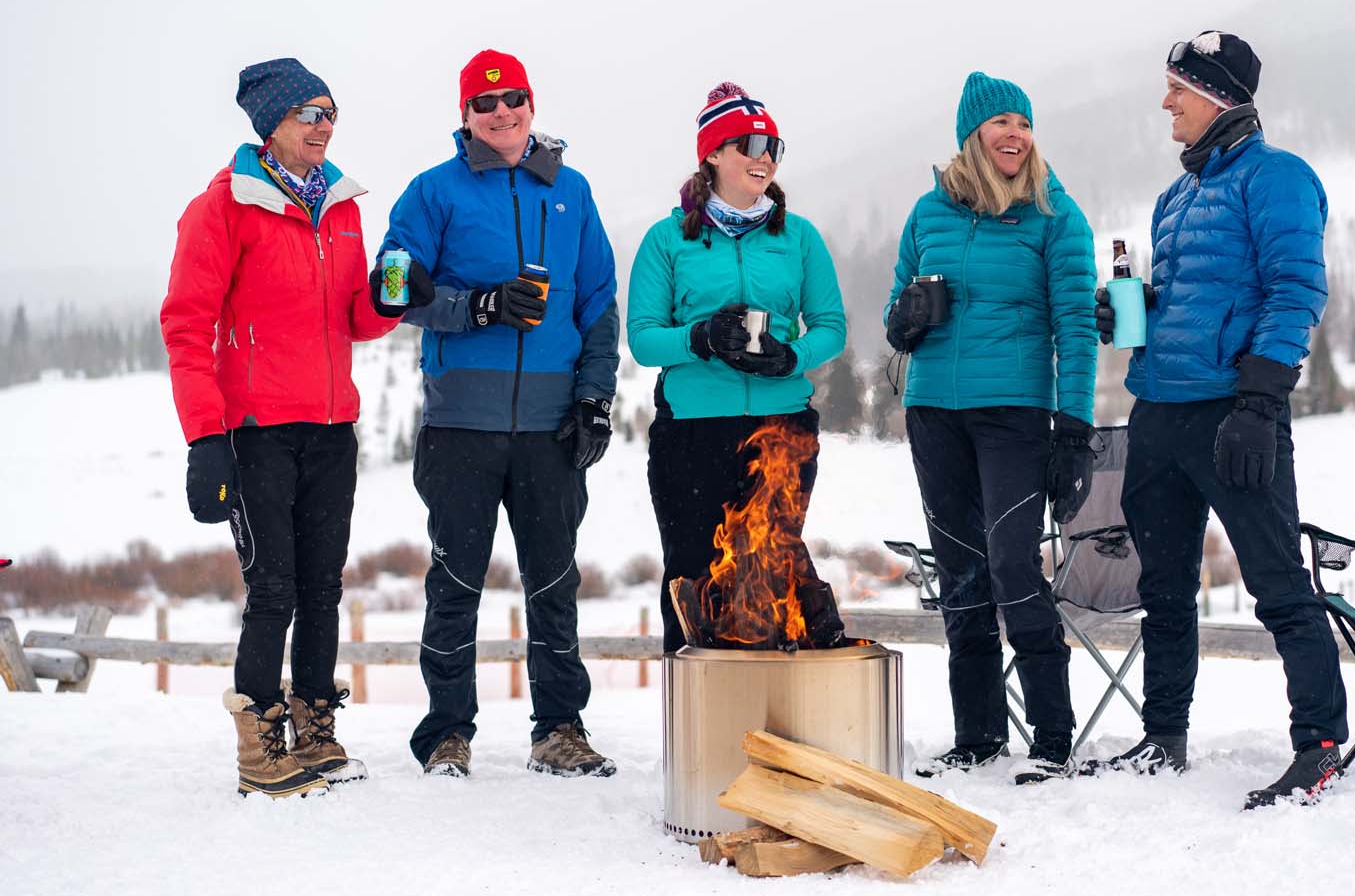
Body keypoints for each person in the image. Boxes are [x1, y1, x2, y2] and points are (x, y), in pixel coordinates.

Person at [1088, 30, 1349, 809]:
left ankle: (1321, 746)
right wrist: (1126, 312)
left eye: (1178, 88)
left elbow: (1295, 290)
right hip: (1159, 409)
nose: (1165, 102)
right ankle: (1163, 736)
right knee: (1164, 587)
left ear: (1219, 96)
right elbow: (1187, 298)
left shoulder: (1276, 178)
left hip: (1234, 412)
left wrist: (1260, 404)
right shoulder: (1176, 197)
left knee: (1275, 584)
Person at [162, 57, 418, 797]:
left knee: (322, 588)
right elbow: (186, 325)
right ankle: (260, 748)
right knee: (273, 590)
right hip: (258, 431)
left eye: (331, 112)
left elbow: (355, 323)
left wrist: (393, 297)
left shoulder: (340, 206)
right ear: (270, 124)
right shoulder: (224, 206)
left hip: (332, 428)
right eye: (309, 112)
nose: (324, 125)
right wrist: (205, 438)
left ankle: (315, 730)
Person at [380, 49, 620, 779]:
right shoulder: (432, 192)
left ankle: (559, 729)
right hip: (461, 426)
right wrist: (474, 306)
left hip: (551, 427)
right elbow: (390, 286)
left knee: (554, 579)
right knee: (456, 580)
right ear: (465, 116)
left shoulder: (571, 192)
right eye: (484, 104)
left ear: (530, 103)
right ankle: (446, 733)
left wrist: (592, 398)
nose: (501, 113)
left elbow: (598, 304)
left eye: (512, 98)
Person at [884, 72, 1099, 784]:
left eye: (1023, 123)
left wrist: (1073, 426)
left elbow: (1076, 326)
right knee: (959, 570)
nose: (1014, 135)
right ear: (970, 136)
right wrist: (905, 319)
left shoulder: (1053, 215)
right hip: (933, 412)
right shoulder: (928, 212)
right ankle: (975, 735)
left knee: (1012, 565)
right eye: (1000, 123)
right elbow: (897, 305)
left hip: (1012, 413)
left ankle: (1052, 735)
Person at [626, 82, 846, 651]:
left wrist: (792, 356)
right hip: (692, 433)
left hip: (781, 429)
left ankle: (767, 719)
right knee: (692, 575)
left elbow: (831, 326)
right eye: (749, 143)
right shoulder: (667, 239)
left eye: (773, 145)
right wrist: (701, 336)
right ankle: (697, 721)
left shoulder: (798, 237)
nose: (764, 156)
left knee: (771, 572)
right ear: (713, 155)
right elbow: (645, 340)